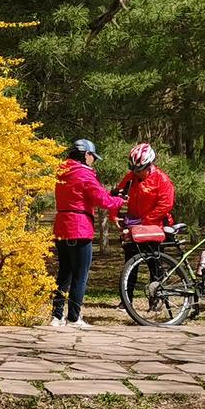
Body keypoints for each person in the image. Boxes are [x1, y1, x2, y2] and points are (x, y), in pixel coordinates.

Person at [51, 139, 125, 329]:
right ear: (86, 155)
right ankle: (74, 318)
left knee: (63, 274)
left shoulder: (62, 171)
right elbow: (102, 200)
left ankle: (56, 316)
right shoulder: (84, 174)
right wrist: (119, 201)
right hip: (80, 227)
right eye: (93, 157)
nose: (94, 161)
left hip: (61, 226)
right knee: (80, 275)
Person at [114, 143, 177, 299]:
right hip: (134, 227)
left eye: (140, 169)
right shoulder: (131, 178)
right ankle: (126, 299)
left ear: (149, 165)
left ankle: (156, 299)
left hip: (155, 226)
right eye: (133, 169)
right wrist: (114, 214)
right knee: (130, 263)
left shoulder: (162, 179)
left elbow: (166, 204)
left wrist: (145, 221)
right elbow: (117, 196)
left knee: (155, 264)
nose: (136, 173)